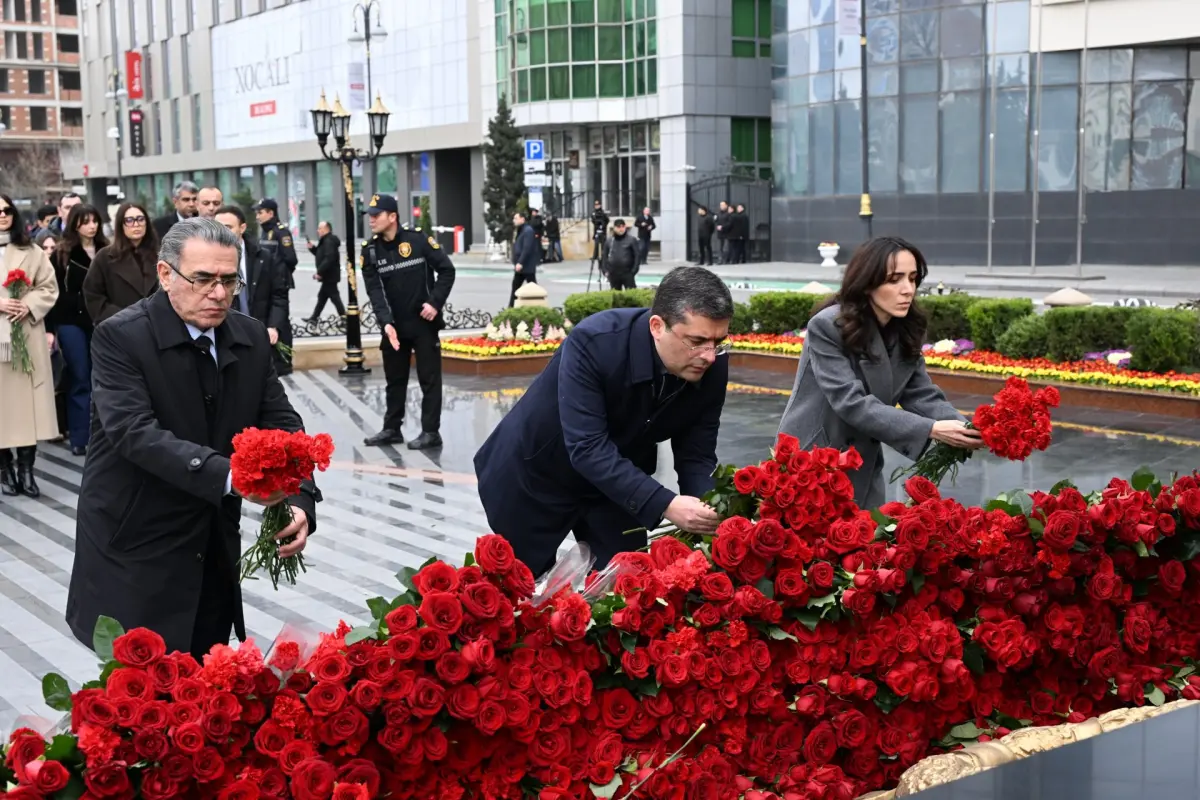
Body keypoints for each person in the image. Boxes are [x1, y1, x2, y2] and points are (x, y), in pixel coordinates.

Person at [65, 218, 320, 660]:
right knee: (139, 687)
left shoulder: (249, 335)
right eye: (202, 279)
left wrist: (299, 497)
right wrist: (235, 478)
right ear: (166, 274)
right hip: (138, 543)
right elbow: (133, 432)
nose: (218, 294)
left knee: (206, 679)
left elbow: (281, 421)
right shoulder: (120, 337)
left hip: (211, 544)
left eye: (230, 281)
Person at [474, 266, 732, 575]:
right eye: (697, 341)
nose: (709, 355)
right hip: (535, 477)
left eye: (719, 341)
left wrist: (710, 515)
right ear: (657, 326)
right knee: (525, 591)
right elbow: (587, 447)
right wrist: (666, 504)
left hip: (616, 485)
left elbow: (697, 455)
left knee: (628, 586)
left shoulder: (711, 363)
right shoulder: (595, 342)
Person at [777, 237, 984, 510]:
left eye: (913, 278)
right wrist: (931, 429)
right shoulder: (827, 326)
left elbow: (921, 394)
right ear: (867, 282)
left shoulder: (905, 329)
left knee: (867, 532)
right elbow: (851, 402)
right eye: (894, 279)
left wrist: (968, 429)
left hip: (863, 461)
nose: (907, 289)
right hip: (814, 462)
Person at [359, 193, 456, 451]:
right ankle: (392, 429)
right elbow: (374, 291)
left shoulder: (418, 240)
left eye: (376, 215)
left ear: (392, 216)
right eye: (369, 216)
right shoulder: (370, 250)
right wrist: (385, 323)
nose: (371, 220)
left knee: (429, 379)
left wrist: (435, 303)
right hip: (394, 327)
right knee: (395, 380)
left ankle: (431, 432)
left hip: (423, 324)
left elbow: (447, 270)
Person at [0, 193, 59, 499]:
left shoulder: (31, 250)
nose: (2, 215)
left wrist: (29, 304)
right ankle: (4, 470)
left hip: (25, 332)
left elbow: (48, 286)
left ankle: (26, 469)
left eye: (6, 210)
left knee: (28, 408)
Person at [48, 203, 108, 456]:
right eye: (85, 222)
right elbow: (52, 292)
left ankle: (104, 436)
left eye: (94, 221)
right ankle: (79, 437)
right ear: (75, 224)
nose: (91, 226)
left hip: (102, 320)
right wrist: (50, 329)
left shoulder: (107, 250)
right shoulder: (62, 253)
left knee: (104, 378)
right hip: (70, 321)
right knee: (80, 376)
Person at [213, 206, 288, 343]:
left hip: (261, 333)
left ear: (242, 228)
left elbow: (279, 295)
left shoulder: (264, 257)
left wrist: (273, 326)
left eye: (228, 227)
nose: (222, 233)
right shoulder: (209, 260)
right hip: (227, 336)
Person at [84, 201, 160, 325]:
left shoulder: (160, 255)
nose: (136, 224)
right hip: (119, 325)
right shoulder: (105, 257)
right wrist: (123, 317)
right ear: (121, 225)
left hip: (155, 325)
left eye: (140, 219)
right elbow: (93, 295)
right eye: (129, 220)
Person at [254, 198, 296, 375]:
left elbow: (291, 259)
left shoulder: (281, 232)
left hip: (280, 284)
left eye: (260, 212)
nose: (257, 216)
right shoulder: (265, 232)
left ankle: (284, 361)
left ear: (271, 213)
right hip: (266, 283)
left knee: (281, 322)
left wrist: (280, 276)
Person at [306, 220, 345, 321]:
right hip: (329, 275)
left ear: (325, 229)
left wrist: (319, 272)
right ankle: (314, 318)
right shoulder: (325, 240)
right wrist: (312, 249)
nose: (317, 230)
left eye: (319, 228)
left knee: (334, 297)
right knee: (323, 297)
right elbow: (321, 255)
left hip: (330, 275)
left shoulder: (329, 241)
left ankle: (345, 318)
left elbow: (329, 258)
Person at [510, 210, 539, 307]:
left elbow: (527, 248)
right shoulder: (521, 230)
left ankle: (539, 306)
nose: (514, 220)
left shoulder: (528, 230)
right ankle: (511, 307)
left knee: (533, 288)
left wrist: (520, 262)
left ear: (522, 219)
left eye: (516, 218)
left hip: (526, 266)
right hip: (522, 266)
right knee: (515, 287)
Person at [603, 219, 640, 290]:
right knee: (615, 294)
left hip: (627, 272)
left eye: (623, 226)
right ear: (614, 228)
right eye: (618, 227)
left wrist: (634, 271)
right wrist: (605, 270)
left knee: (631, 293)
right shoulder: (609, 241)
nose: (621, 229)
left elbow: (637, 256)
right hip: (613, 273)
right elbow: (604, 256)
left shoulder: (631, 240)